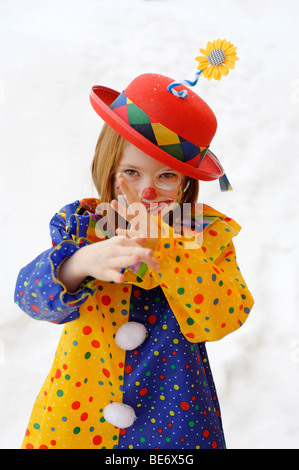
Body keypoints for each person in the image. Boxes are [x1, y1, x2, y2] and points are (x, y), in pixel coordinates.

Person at [15, 40, 254, 449]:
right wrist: (79, 262)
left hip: (174, 420)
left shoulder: (204, 234)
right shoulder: (81, 226)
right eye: (131, 171)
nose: (147, 191)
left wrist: (168, 248)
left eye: (166, 176)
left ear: (185, 184)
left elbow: (223, 316)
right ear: (108, 168)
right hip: (76, 416)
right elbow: (30, 298)